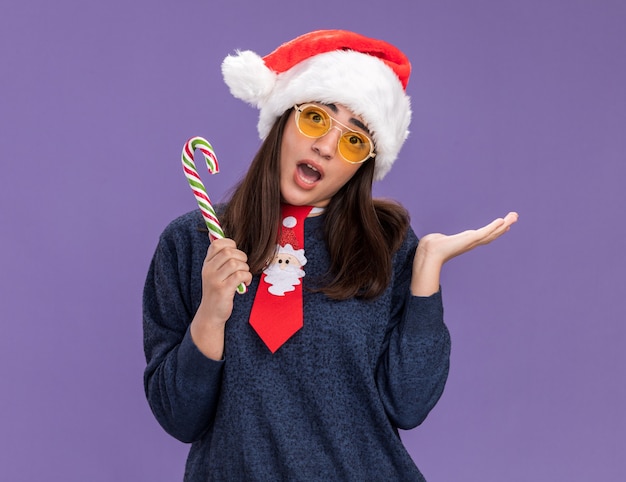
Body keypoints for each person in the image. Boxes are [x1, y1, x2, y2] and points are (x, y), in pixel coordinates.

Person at [143, 29, 518, 481]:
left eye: (354, 139)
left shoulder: (389, 246)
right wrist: (210, 315)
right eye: (317, 118)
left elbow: (409, 404)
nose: (324, 146)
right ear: (283, 119)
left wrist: (425, 274)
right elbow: (179, 417)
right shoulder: (191, 242)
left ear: (364, 163)